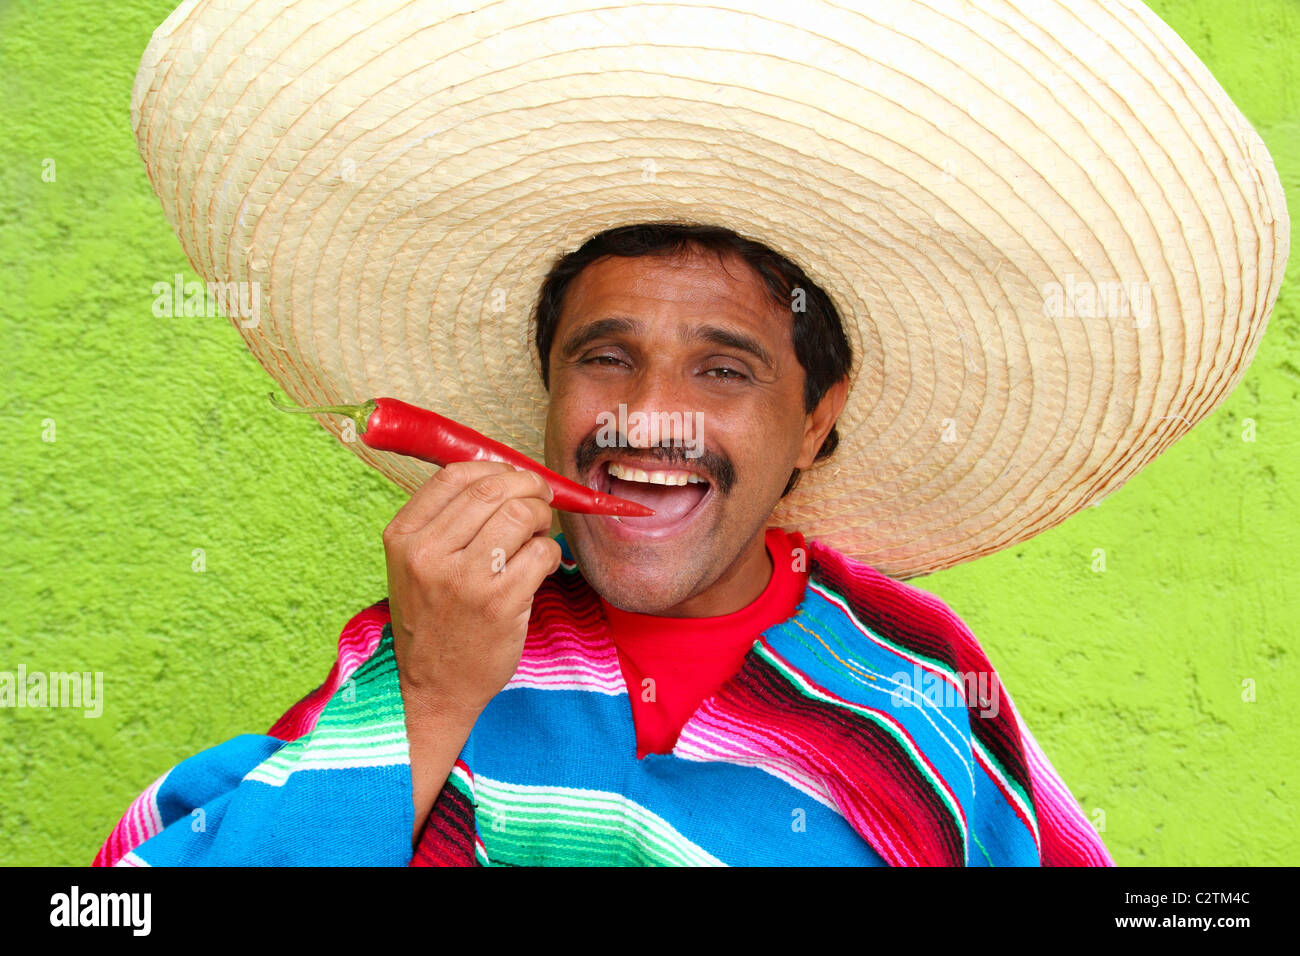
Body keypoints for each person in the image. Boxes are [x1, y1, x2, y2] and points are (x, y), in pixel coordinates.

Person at [96, 0, 1285, 866]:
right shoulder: (421, 658)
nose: (649, 414)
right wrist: (432, 697)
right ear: (546, 394)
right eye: (604, 357)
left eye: (724, 368)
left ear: (815, 421)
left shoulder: (925, 705)